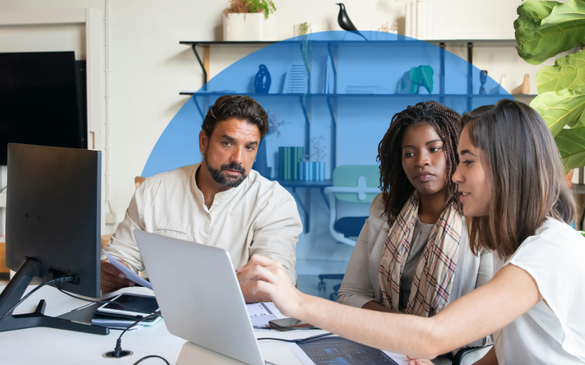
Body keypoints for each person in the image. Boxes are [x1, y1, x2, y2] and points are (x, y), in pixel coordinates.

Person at [244, 99, 585, 364]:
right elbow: (507, 351)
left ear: (507, 166)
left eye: (466, 160)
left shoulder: (550, 249)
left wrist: (299, 302)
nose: (455, 175)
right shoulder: (514, 245)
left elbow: (434, 336)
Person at [102, 95, 302, 303]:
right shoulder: (153, 192)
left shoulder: (274, 202)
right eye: (227, 143)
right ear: (204, 142)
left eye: (249, 147)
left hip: (239, 324)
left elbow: (273, 283)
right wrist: (111, 272)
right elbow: (118, 257)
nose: (238, 159)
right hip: (161, 322)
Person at [336, 101, 493, 363]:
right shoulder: (384, 208)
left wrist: (424, 338)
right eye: (409, 153)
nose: (421, 161)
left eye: (435, 149)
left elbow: (487, 323)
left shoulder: (481, 217)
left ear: (457, 152)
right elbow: (349, 295)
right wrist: (407, 331)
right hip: (384, 347)